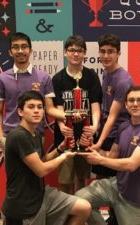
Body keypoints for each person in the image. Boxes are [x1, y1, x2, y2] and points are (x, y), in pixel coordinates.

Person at [75, 85, 140, 225]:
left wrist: (100, 160)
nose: (135, 103)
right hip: (117, 186)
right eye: (131, 100)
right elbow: (112, 156)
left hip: (136, 198)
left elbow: (131, 164)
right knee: (80, 200)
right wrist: (92, 150)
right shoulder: (123, 127)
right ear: (126, 105)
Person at [1, 90, 91, 225]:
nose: (36, 111)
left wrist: (60, 149)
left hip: (41, 195)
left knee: (84, 208)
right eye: (31, 107)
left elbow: (42, 160)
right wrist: (64, 157)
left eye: (40, 107)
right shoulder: (18, 136)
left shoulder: (34, 134)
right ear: (20, 112)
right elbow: (41, 170)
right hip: (22, 207)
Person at [0, 32, 65, 151]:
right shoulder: (2, 78)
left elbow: (50, 109)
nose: (20, 51)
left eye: (24, 46)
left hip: (36, 136)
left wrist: (71, 115)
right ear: (10, 52)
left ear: (30, 50)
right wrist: (1, 138)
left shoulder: (43, 77)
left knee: (38, 169)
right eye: (16, 47)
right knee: (15, 171)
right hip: (11, 136)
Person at [52, 35, 102, 194]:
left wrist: (94, 126)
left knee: (82, 178)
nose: (75, 54)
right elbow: (58, 108)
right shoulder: (58, 78)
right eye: (72, 50)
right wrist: (62, 126)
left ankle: (80, 215)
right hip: (65, 136)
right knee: (65, 180)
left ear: (85, 53)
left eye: (79, 51)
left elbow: (95, 106)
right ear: (65, 52)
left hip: (85, 135)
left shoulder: (91, 76)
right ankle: (67, 214)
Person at [91, 34, 134, 178]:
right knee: (100, 178)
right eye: (102, 51)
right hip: (106, 130)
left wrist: (100, 142)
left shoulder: (123, 80)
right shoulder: (106, 72)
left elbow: (113, 115)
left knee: (112, 182)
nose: (106, 55)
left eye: (110, 51)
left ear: (118, 54)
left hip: (118, 133)